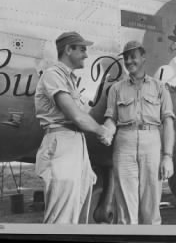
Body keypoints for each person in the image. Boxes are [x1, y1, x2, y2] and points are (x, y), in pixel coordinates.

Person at [34, 31, 112, 224]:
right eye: (82, 49)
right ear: (68, 50)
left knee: (77, 211)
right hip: (62, 142)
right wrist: (102, 131)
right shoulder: (53, 75)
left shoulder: (69, 79)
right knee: (61, 216)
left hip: (75, 143)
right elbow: (77, 116)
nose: (86, 54)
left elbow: (83, 116)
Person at [103, 40, 175, 224]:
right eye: (126, 58)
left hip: (151, 141)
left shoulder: (160, 88)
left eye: (132, 57)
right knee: (125, 211)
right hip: (124, 142)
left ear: (143, 57)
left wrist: (167, 157)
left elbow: (168, 123)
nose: (128, 61)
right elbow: (111, 118)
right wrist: (107, 131)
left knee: (151, 209)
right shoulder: (116, 89)